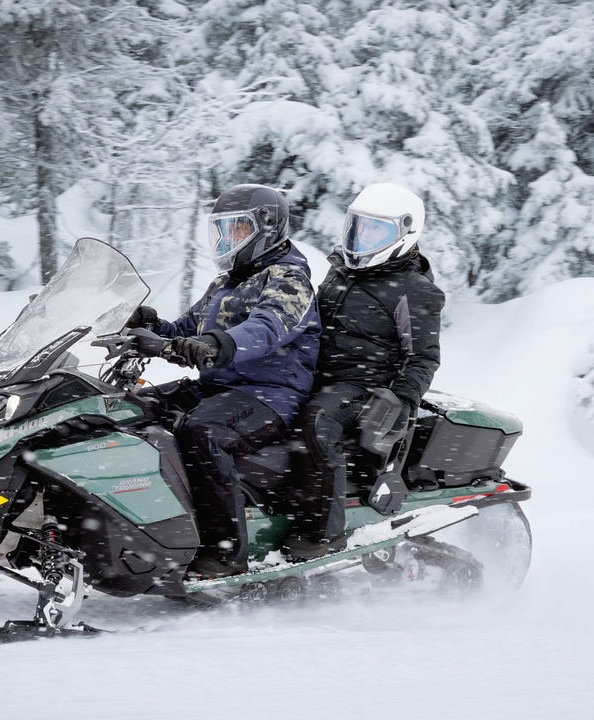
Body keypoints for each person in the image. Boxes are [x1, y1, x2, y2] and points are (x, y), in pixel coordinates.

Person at [126, 183, 321, 579]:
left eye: (236, 229)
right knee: (130, 412)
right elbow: (187, 327)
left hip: (270, 393)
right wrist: (149, 325)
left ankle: (225, 554)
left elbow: (265, 328)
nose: (226, 240)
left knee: (202, 433)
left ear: (265, 228)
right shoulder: (227, 282)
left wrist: (216, 345)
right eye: (221, 230)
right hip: (220, 385)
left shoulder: (289, 279)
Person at [282, 182, 445, 561]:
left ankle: (324, 532)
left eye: (375, 231)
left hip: (365, 385)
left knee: (317, 421)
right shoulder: (340, 273)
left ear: (405, 232)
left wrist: (402, 397)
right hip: (317, 374)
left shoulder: (413, 289)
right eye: (358, 228)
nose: (361, 239)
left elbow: (424, 357)